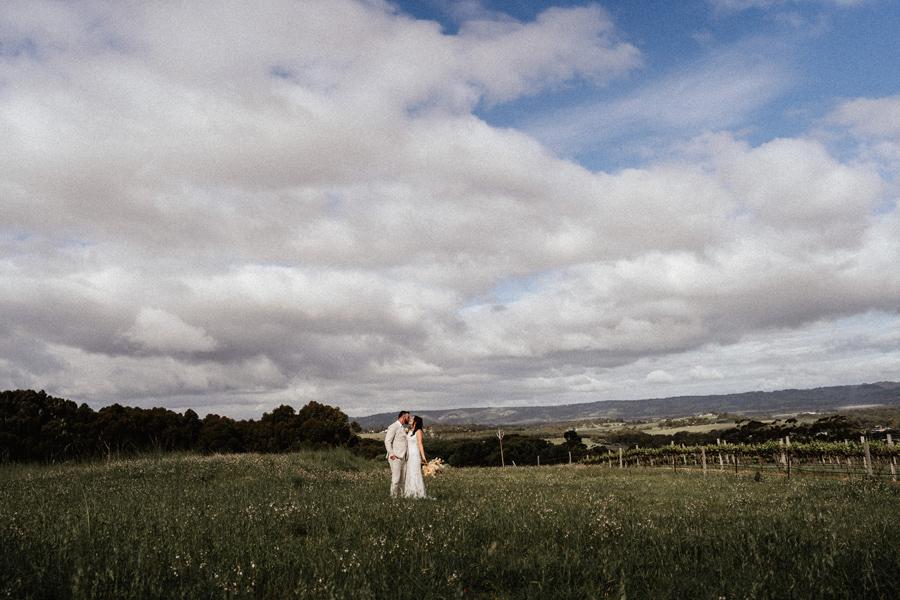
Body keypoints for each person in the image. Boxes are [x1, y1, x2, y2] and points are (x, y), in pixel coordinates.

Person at [384, 411, 410, 498]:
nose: (409, 419)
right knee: (396, 480)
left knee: (402, 480)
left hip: (404, 458)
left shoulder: (402, 427)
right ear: (403, 416)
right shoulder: (393, 426)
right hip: (396, 457)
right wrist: (391, 454)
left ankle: (402, 497)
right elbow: (387, 441)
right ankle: (393, 498)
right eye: (408, 417)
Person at [403, 415, 427, 499]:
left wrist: (423, 457)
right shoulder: (410, 430)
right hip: (409, 455)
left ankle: (417, 493)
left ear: (416, 422)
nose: (410, 419)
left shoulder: (419, 431)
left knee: (415, 472)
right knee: (409, 472)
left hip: (415, 454)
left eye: (412, 419)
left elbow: (420, 444)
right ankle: (409, 492)